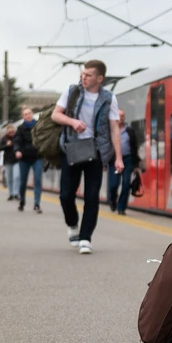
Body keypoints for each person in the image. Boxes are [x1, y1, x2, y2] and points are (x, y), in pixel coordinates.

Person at [51, 60, 122, 254]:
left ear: (99, 79)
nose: (84, 77)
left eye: (88, 75)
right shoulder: (72, 91)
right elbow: (56, 115)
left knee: (92, 196)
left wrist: (119, 157)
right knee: (66, 195)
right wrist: (73, 122)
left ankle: (85, 238)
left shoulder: (109, 98)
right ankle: (72, 224)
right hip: (72, 148)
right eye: (83, 74)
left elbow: (115, 128)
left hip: (97, 151)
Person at [107, 109, 140, 216]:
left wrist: (136, 164)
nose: (121, 117)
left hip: (127, 160)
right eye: (119, 115)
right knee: (113, 184)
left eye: (123, 115)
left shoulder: (130, 131)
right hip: (114, 160)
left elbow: (134, 147)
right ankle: (112, 200)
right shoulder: (110, 130)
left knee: (126, 184)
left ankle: (121, 207)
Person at [14, 107, 44, 214]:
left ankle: (37, 204)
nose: (28, 115)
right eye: (26, 114)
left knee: (37, 180)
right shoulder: (20, 128)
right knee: (23, 182)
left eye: (30, 113)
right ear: (23, 117)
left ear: (32, 114)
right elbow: (17, 141)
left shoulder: (39, 126)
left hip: (37, 157)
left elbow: (43, 139)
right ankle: (22, 201)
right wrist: (17, 150)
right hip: (24, 158)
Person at [0, 125, 20, 201]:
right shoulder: (4, 138)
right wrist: (6, 145)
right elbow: (0, 147)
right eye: (10, 131)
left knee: (16, 177)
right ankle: (10, 193)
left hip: (17, 160)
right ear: (7, 131)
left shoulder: (18, 137)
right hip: (7, 160)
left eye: (12, 131)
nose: (11, 132)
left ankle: (16, 193)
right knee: (9, 178)